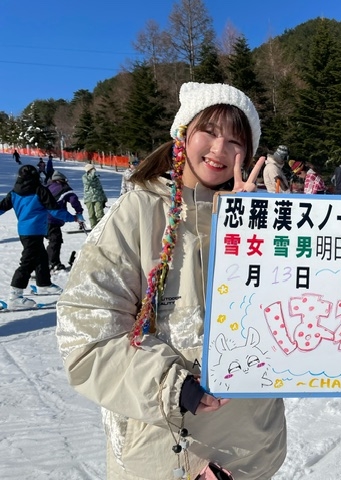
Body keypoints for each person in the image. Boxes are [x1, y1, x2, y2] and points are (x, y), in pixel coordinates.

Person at [55, 82, 286, 479]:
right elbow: (86, 333)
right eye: (209, 132)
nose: (219, 149)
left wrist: (249, 223)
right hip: (165, 449)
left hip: (248, 450)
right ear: (184, 133)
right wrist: (172, 386)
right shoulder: (140, 211)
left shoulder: (259, 218)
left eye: (235, 140)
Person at [0, 165, 81, 309]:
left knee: (41, 256)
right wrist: (74, 218)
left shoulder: (14, 192)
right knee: (27, 261)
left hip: (25, 231)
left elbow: (1, 207)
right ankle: (15, 295)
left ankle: (43, 283)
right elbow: (55, 211)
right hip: (35, 230)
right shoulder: (40, 190)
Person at [46, 171, 85, 271]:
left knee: (52, 241)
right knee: (55, 241)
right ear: (61, 180)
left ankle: (47, 261)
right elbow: (74, 200)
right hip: (53, 219)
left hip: (41, 219)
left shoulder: (47, 187)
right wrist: (79, 212)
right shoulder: (64, 188)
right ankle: (53, 263)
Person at [82, 164, 107, 228]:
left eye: (94, 169)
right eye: (92, 169)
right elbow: (89, 182)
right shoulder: (85, 177)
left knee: (100, 213)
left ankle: (101, 226)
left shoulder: (96, 178)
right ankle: (93, 226)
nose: (94, 170)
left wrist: (104, 198)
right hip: (89, 198)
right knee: (91, 214)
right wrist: (92, 175)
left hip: (98, 197)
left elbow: (100, 188)